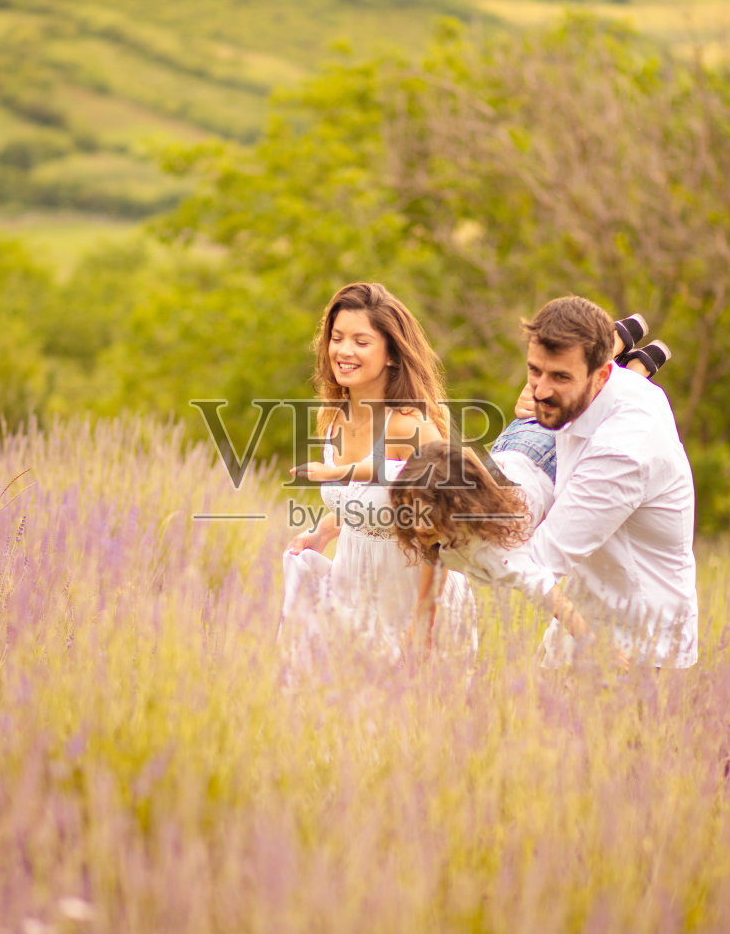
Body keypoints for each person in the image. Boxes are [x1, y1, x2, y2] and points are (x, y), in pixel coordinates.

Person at [396, 297, 697, 669]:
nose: (537, 390)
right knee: (528, 424)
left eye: (560, 376)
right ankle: (618, 345)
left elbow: (540, 562)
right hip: (584, 603)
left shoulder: (623, 452)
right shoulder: (574, 401)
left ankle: (626, 356)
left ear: (602, 376)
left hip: (637, 643)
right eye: (534, 371)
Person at [279, 282, 477, 664]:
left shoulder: (409, 426)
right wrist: (323, 531)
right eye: (337, 338)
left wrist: (423, 619)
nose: (344, 351)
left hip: (410, 597)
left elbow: (441, 530)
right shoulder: (335, 418)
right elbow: (371, 500)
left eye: (361, 341)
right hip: (351, 588)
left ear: (390, 354)